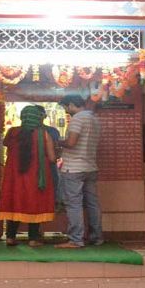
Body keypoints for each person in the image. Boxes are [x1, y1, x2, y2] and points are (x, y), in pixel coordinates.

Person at [0, 105, 57, 247]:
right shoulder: (44, 134)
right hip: (36, 177)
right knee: (34, 203)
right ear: (38, 118)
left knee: (14, 203)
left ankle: (10, 238)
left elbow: (6, 144)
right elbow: (52, 158)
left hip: (15, 178)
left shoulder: (12, 132)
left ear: (22, 117)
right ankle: (33, 239)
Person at [55, 94, 103, 249]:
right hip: (90, 167)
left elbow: (71, 142)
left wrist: (58, 142)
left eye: (65, 107)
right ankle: (96, 237)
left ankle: (76, 239)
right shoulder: (94, 118)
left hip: (74, 168)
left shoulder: (77, 119)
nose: (66, 111)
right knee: (92, 203)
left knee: (73, 204)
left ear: (71, 105)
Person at [34, 105, 63, 212]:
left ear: (44, 116)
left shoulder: (52, 131)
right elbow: (57, 151)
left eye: (40, 115)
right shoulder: (52, 131)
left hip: (47, 167)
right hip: (48, 166)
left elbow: (57, 150)